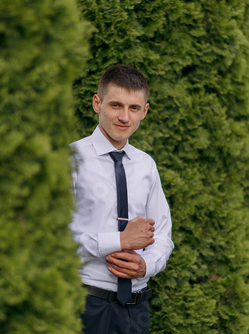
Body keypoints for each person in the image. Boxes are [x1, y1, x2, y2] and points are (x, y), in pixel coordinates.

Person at [70, 64, 174, 334]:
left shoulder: (146, 165)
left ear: (145, 111)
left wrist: (146, 265)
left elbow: (163, 235)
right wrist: (119, 241)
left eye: (134, 108)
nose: (125, 117)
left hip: (135, 309)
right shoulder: (70, 161)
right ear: (97, 103)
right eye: (116, 105)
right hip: (84, 305)